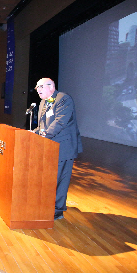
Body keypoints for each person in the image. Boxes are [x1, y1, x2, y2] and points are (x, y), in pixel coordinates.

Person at [33, 78, 82, 221]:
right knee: (49, 178)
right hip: (49, 146)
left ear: (51, 87)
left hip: (63, 147)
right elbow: (43, 125)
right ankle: (46, 205)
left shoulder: (63, 99)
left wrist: (44, 134)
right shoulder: (43, 102)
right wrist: (34, 132)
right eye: (37, 87)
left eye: (41, 86)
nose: (38, 89)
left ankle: (57, 210)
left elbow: (60, 121)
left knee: (60, 179)